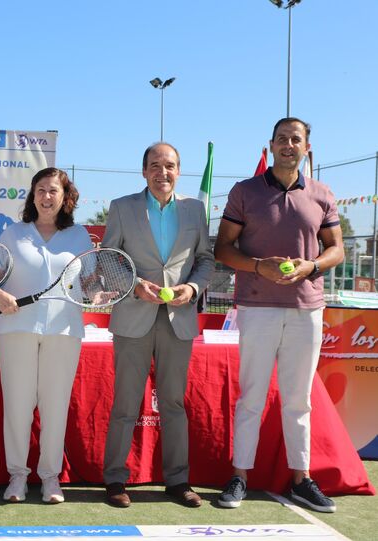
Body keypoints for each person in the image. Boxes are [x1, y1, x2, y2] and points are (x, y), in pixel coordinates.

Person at [215, 118, 344, 513]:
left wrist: (311, 267)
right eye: (282, 139)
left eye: (296, 139)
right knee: (251, 397)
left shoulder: (322, 194)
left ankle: (301, 480)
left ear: (308, 147)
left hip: (307, 309)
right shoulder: (244, 191)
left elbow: (336, 250)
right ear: (270, 144)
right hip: (256, 307)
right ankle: (239, 476)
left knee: (298, 401)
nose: (289, 145)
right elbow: (222, 249)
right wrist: (258, 266)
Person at [102, 142, 214, 508]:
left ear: (179, 171)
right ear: (144, 171)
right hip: (133, 317)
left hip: (178, 320)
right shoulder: (122, 208)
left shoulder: (195, 210)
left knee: (173, 404)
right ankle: (116, 479)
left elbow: (205, 260)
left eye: (169, 166)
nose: (162, 172)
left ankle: (178, 481)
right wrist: (135, 286)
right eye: (154, 165)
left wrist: (193, 287)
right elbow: (108, 260)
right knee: (126, 404)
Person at [0, 167, 92, 504]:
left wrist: (96, 295)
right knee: (17, 405)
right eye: (41, 190)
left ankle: (50, 479)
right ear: (33, 195)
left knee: (55, 406)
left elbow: (90, 283)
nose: (47, 197)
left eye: (54, 191)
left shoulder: (79, 236)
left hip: (64, 330)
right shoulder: (12, 234)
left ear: (66, 198)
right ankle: (17, 477)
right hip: (16, 328)